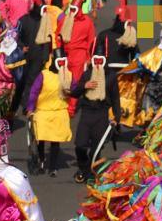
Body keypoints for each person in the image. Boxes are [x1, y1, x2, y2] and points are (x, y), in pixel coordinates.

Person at [69, 53, 120, 182]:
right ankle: (84, 168)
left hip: (101, 114)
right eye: (95, 60)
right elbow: (74, 93)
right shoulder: (87, 74)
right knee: (80, 145)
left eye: (100, 60)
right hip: (87, 113)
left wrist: (117, 117)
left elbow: (115, 98)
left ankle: (89, 173)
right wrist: (83, 86)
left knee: (96, 149)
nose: (97, 63)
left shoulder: (111, 76)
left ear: (104, 61)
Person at [25, 55, 75, 175]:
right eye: (60, 62)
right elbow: (34, 91)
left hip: (59, 112)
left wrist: (73, 91)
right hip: (43, 112)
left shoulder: (68, 75)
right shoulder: (44, 74)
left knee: (55, 141)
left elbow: (75, 89)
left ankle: (53, 167)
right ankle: (42, 160)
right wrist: (30, 108)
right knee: (40, 139)